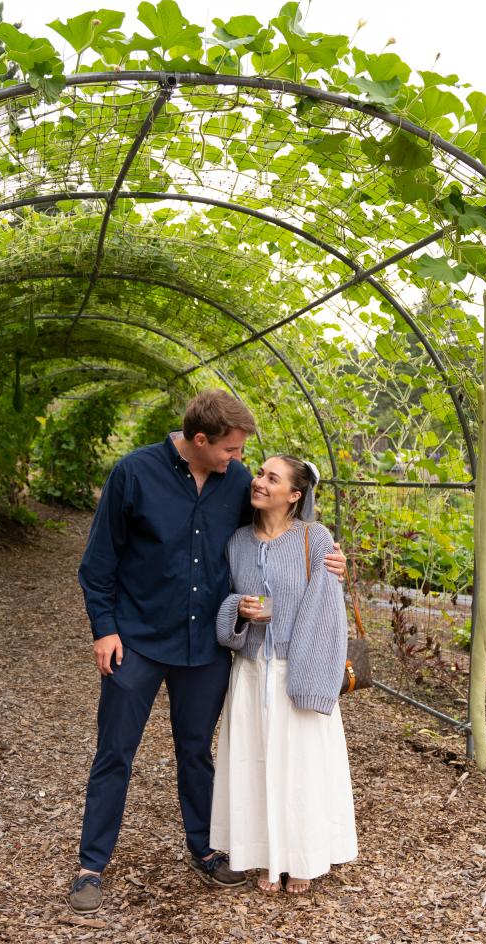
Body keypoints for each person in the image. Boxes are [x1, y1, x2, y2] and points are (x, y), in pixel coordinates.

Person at [68, 391, 344, 914]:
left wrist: (332, 561)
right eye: (233, 450)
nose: (241, 462)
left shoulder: (239, 484)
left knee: (197, 753)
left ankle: (205, 848)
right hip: (139, 641)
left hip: (205, 649)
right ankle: (91, 864)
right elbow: (98, 563)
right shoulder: (133, 474)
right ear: (200, 441)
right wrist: (104, 629)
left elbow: (279, 531)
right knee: (114, 752)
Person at [210, 454, 357, 894]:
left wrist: (311, 680)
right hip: (251, 671)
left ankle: (304, 857)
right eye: (259, 474)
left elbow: (327, 612)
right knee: (253, 763)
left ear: (294, 495)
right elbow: (227, 601)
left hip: (300, 669)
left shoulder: (316, 538)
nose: (258, 482)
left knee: (301, 766)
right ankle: (262, 854)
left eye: (271, 478)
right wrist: (239, 610)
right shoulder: (237, 542)